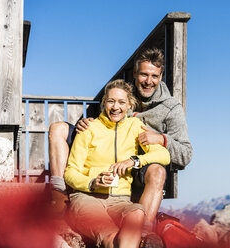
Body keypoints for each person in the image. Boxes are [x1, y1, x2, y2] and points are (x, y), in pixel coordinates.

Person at [49, 48, 192, 234]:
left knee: (158, 171)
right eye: (144, 74)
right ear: (134, 74)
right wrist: (82, 123)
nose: (149, 81)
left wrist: (162, 139)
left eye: (154, 76)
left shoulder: (171, 108)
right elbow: (98, 121)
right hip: (108, 163)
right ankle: (59, 196)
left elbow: (186, 154)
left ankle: (143, 232)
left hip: (140, 166)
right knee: (58, 128)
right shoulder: (118, 94)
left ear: (161, 76)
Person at [64, 79, 170, 247]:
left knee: (136, 212)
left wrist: (134, 160)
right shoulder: (89, 128)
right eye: (111, 101)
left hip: (121, 201)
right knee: (111, 237)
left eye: (121, 102)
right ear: (104, 103)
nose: (115, 107)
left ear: (129, 105)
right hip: (87, 198)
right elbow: (71, 172)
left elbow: (163, 155)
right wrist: (92, 182)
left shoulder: (135, 126)